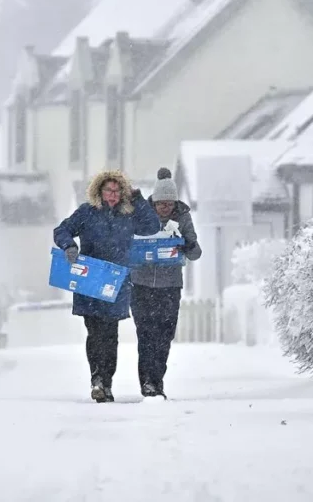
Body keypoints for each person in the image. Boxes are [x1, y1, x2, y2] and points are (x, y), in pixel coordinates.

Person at [53, 169, 160, 403]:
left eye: (116, 191)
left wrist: (138, 199)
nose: (112, 195)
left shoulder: (128, 215)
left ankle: (106, 383)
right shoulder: (86, 213)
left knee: (110, 335)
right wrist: (69, 245)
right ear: (98, 191)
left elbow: (152, 226)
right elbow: (61, 230)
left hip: (116, 282)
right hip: (90, 280)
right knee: (95, 332)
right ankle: (97, 379)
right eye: (108, 190)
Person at [129, 167, 202, 399]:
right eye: (161, 204)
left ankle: (157, 379)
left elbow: (195, 252)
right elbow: (127, 240)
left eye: (169, 204)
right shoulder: (140, 215)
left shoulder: (182, 217)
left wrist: (186, 245)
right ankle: (148, 383)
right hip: (140, 285)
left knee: (164, 335)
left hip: (170, 287)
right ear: (154, 202)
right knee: (146, 334)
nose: (165, 208)